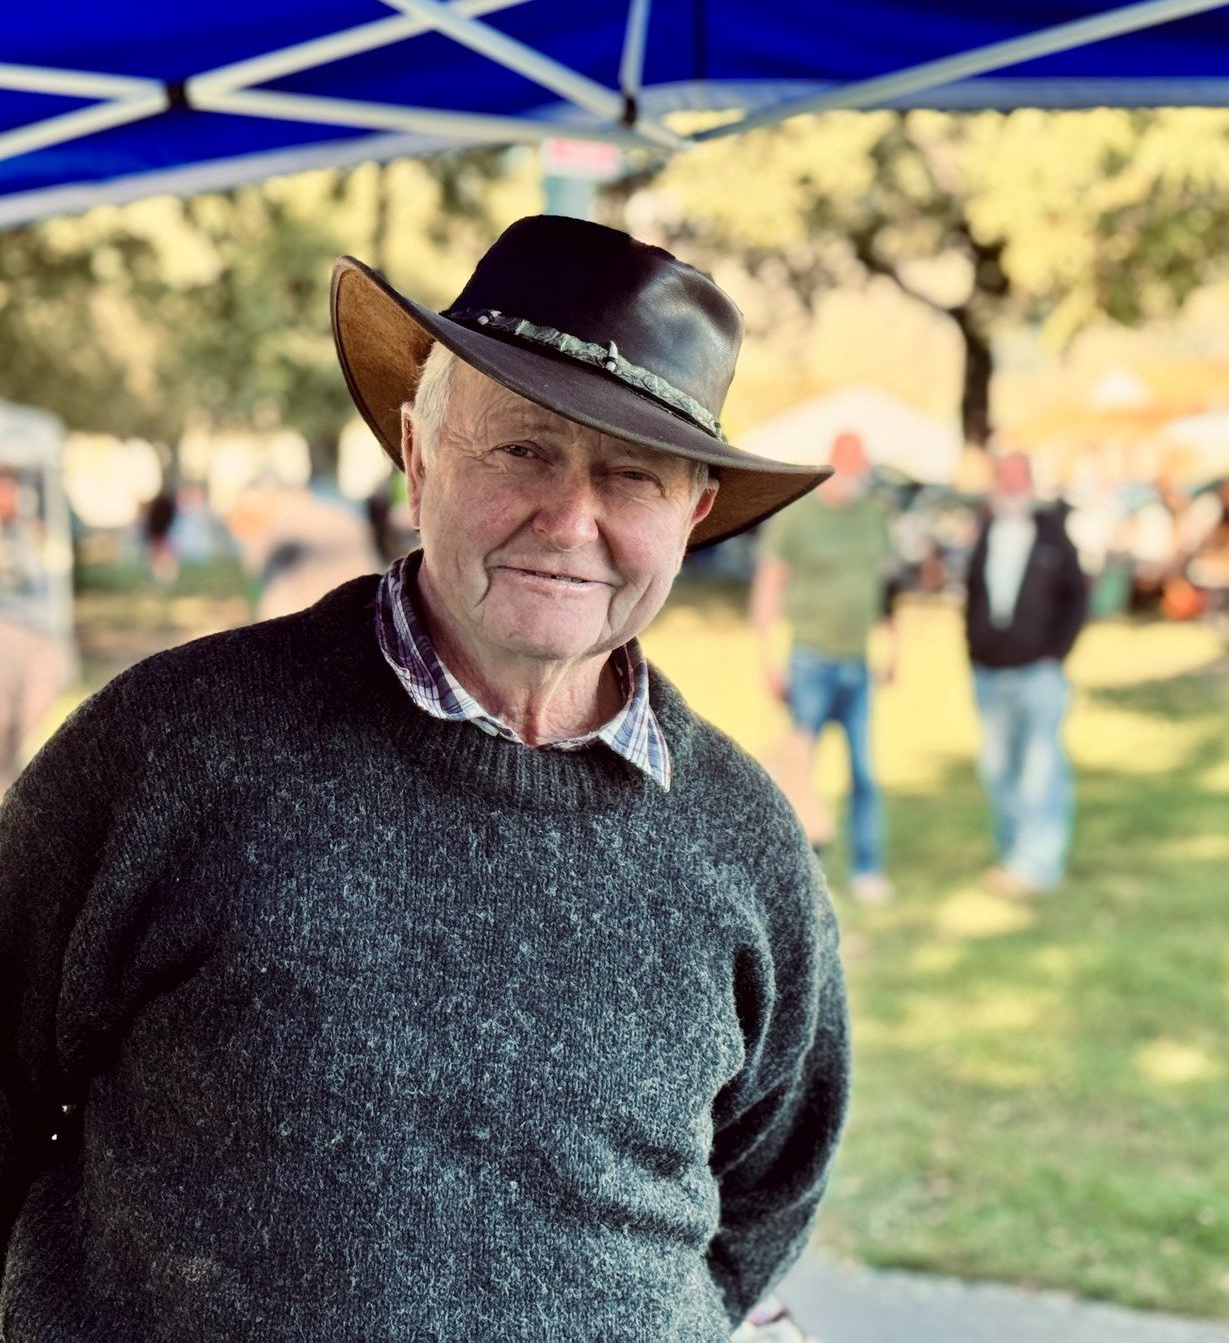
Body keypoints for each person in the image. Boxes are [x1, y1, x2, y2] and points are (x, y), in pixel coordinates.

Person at [0, 217, 849, 1342]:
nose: (570, 520)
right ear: (417, 453)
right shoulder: (165, 751)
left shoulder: (740, 838)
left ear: (690, 516)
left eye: (630, 475)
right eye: (522, 450)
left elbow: (768, 1182)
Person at [751, 431, 897, 905]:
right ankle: (804, 872)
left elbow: (885, 586)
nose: (856, 479)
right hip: (809, 659)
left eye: (862, 469)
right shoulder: (798, 516)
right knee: (800, 771)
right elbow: (770, 585)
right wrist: (767, 654)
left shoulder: (874, 515)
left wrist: (892, 646)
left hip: (859, 663)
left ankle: (868, 868)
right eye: (848, 468)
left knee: (863, 770)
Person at [964, 451, 1088, 897]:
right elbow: (973, 595)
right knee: (998, 767)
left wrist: (1056, 652)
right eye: (1005, 476)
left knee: (1040, 768)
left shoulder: (1054, 533)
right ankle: (1013, 852)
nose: (1013, 485)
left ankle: (1038, 861)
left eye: (1020, 477)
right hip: (989, 671)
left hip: (1037, 671)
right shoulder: (986, 528)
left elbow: (1077, 597)